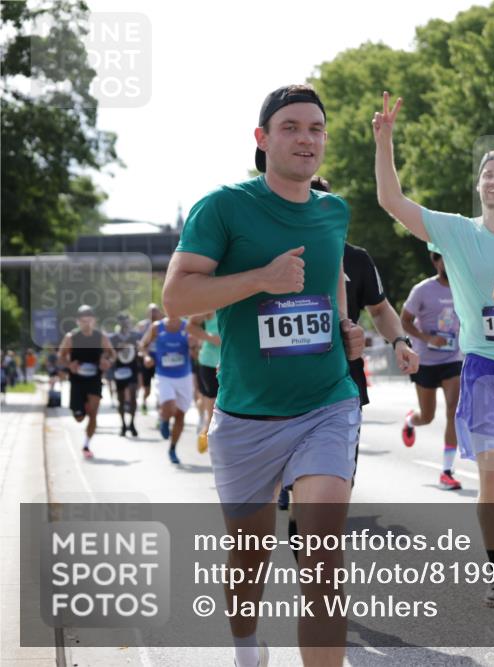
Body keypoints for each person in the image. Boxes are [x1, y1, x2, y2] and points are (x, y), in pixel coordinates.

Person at [162, 83, 365, 667]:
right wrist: (260, 279)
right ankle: (248, 649)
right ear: (262, 138)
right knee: (249, 557)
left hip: (327, 403)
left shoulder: (334, 210)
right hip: (247, 415)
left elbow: (330, 279)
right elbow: (176, 296)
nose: (306, 139)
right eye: (291, 127)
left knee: (323, 556)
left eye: (316, 129)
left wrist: (344, 323)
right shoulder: (223, 207)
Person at [374, 91, 494, 608]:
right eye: (488, 174)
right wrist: (385, 141)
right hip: (481, 371)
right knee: (491, 478)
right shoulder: (455, 232)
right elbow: (392, 202)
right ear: (480, 187)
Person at [278, 175, 419, 517]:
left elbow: (380, 309)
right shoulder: (275, 256)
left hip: (342, 380)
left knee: (335, 482)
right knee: (301, 486)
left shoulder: (356, 259)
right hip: (283, 381)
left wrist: (399, 340)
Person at [401, 246, 464, 490]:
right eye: (445, 260)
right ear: (436, 261)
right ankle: (411, 420)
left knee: (454, 411)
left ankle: (447, 471)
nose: (450, 265)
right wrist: (427, 338)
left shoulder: (463, 287)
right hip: (425, 359)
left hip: (453, 359)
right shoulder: (422, 290)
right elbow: (404, 320)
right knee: (427, 416)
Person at [57, 305, 114, 458]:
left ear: (94, 321)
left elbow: (112, 354)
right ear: (78, 322)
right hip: (77, 381)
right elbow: (60, 357)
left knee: (94, 414)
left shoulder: (101, 337)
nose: (86, 324)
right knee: (79, 418)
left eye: (89, 320)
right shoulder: (71, 338)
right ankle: (84, 407)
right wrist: (69, 364)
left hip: (95, 379)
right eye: (83, 321)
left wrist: (106, 360)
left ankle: (86, 445)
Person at [140, 314, 194, 464]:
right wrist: (146, 357)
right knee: (169, 407)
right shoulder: (157, 327)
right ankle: (164, 419)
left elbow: (195, 351)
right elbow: (143, 345)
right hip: (164, 375)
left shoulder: (188, 326)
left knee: (180, 416)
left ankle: (172, 448)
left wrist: (193, 345)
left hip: (184, 377)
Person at [188, 311, 222, 454]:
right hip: (209, 363)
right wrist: (209, 337)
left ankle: (206, 425)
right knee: (213, 405)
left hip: (231, 363)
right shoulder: (212, 305)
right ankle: (206, 430)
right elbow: (190, 326)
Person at [109, 313, 142, 437]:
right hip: (119, 370)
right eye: (123, 321)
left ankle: (132, 423)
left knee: (133, 397)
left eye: (127, 321)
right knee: (121, 399)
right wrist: (117, 350)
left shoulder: (135, 336)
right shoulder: (113, 338)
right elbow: (109, 353)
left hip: (132, 369)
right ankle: (123, 424)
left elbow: (140, 351)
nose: (125, 324)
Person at [136, 303, 163, 415]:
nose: (153, 313)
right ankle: (144, 401)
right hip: (148, 359)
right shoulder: (142, 326)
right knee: (147, 389)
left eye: (155, 311)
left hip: (161, 358)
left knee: (160, 388)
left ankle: (160, 412)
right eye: (151, 311)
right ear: (148, 313)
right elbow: (140, 344)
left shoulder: (164, 324)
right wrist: (145, 355)